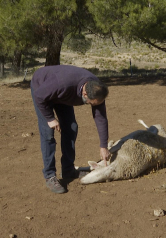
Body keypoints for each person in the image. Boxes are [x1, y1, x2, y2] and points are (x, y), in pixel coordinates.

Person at [31, 65, 110, 194]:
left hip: (62, 95)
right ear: (85, 94)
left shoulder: (97, 90)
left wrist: (103, 146)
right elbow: (39, 96)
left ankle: (68, 170)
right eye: (91, 103)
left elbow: (101, 118)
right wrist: (50, 118)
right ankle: (50, 175)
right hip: (42, 88)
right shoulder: (62, 83)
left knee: (71, 127)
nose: (94, 106)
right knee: (48, 133)